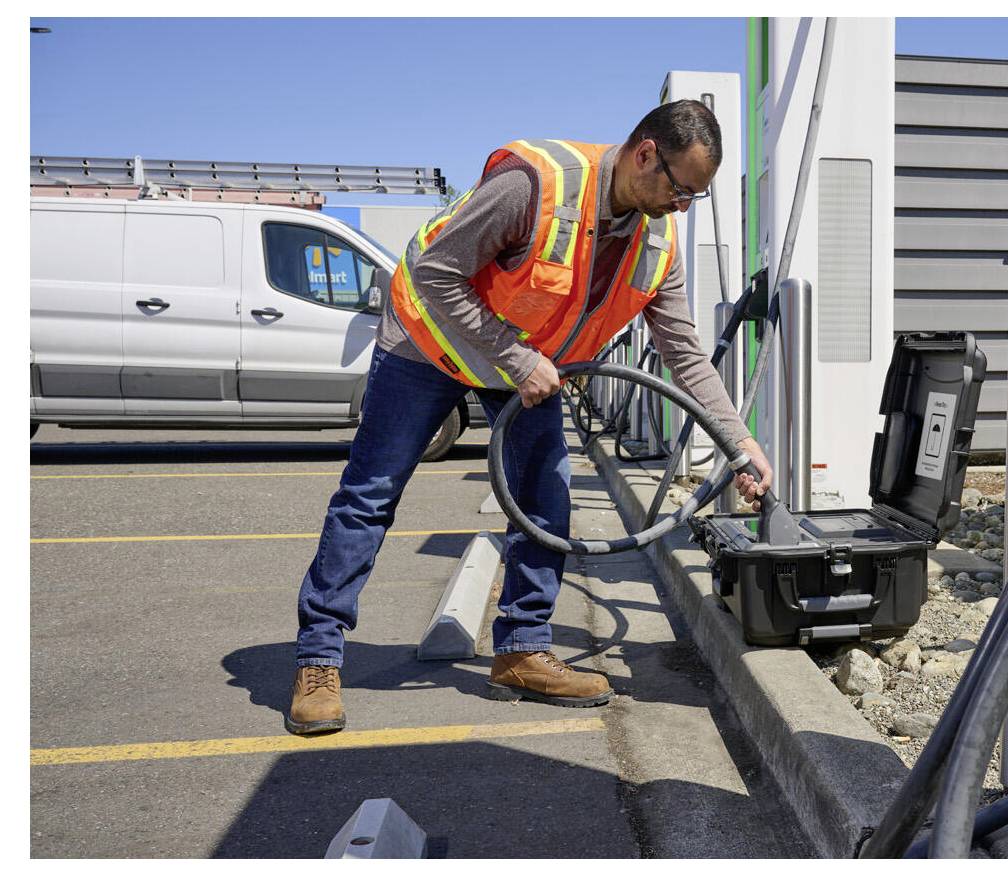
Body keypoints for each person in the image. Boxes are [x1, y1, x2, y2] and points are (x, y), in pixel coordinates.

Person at [286, 100, 772, 735]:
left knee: (546, 498)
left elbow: (684, 352)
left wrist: (739, 444)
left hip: (523, 371)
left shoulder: (659, 241)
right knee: (371, 494)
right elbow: (433, 272)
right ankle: (319, 658)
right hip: (429, 344)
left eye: (693, 197)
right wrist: (516, 356)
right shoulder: (534, 185)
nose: (681, 206)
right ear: (645, 153)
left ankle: (521, 648)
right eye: (679, 188)